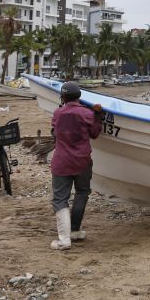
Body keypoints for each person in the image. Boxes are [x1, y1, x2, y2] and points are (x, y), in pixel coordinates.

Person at [50, 81, 103, 250]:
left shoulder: (57, 113)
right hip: (82, 161)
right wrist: (98, 116)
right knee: (82, 193)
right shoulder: (87, 113)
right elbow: (94, 134)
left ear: (63, 96)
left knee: (60, 199)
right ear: (79, 96)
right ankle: (74, 230)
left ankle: (64, 240)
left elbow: (54, 132)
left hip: (61, 162)